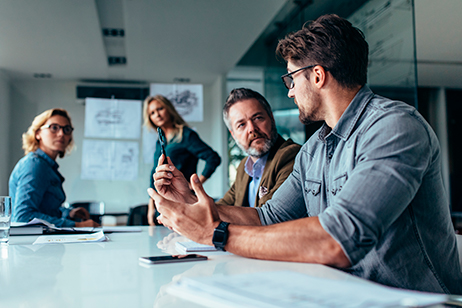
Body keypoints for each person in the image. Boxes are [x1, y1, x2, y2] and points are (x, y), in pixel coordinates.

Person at [149, 14, 462, 294]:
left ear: (317, 76)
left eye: (291, 78)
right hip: (347, 295)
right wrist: (191, 200)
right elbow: (268, 218)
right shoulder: (314, 149)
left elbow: (338, 239)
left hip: (418, 301)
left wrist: (218, 234)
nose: (289, 90)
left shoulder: (394, 128)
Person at [9, 108, 99, 227]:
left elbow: (44, 210)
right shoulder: (35, 165)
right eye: (54, 127)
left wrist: (69, 213)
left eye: (66, 129)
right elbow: (23, 217)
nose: (61, 134)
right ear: (38, 133)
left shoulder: (47, 166)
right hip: (32, 244)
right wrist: (76, 225)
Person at [143, 95, 221, 225]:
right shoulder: (160, 141)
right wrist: (151, 205)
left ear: (169, 109)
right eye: (152, 113)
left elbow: (213, 158)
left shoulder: (186, 135)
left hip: (181, 201)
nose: (157, 114)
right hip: (162, 203)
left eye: (160, 108)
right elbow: (155, 172)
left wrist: (195, 185)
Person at [216, 88, 301, 208]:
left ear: (271, 118)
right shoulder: (244, 167)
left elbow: (270, 216)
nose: (252, 129)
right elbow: (222, 207)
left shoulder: (291, 156)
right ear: (233, 135)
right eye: (241, 125)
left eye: (257, 118)